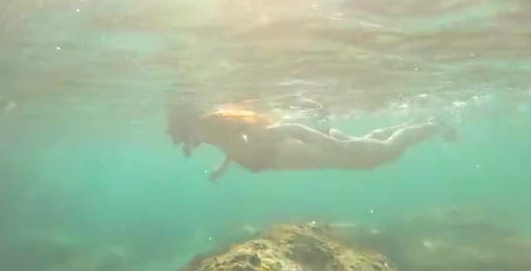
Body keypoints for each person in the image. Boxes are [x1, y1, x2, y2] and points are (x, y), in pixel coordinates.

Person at [165, 103, 458, 182]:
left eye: (184, 139)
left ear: (194, 125)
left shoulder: (237, 134)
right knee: (375, 147)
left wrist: (336, 147)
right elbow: (236, 149)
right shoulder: (221, 136)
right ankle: (423, 124)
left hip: (328, 152)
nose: (186, 147)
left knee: (387, 153)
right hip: (327, 153)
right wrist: (221, 169)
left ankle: (433, 126)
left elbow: (291, 127)